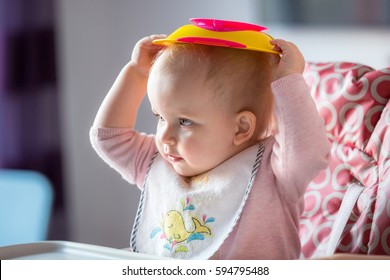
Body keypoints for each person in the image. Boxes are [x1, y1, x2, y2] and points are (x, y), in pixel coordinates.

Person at [90, 33, 330, 259]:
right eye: (160, 117)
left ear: (241, 128)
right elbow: (109, 139)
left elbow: (309, 153)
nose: (165, 136)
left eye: (184, 121)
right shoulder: (160, 162)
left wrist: (289, 81)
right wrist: (135, 74)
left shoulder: (272, 172)